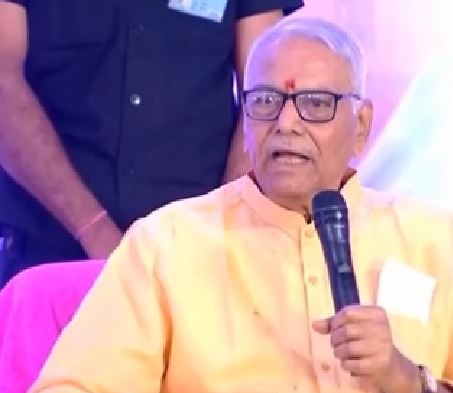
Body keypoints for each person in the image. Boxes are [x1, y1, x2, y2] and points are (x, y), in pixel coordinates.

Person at [26, 17, 453, 393]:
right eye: (266, 102)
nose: (287, 124)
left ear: (361, 125)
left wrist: (410, 383)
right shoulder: (168, 244)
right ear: (245, 119)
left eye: (316, 103)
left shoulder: (441, 243)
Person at [0, 0, 303, 287]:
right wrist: (94, 231)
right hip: (48, 250)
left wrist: (218, 229)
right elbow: (4, 86)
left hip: (200, 258)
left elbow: (267, 93)